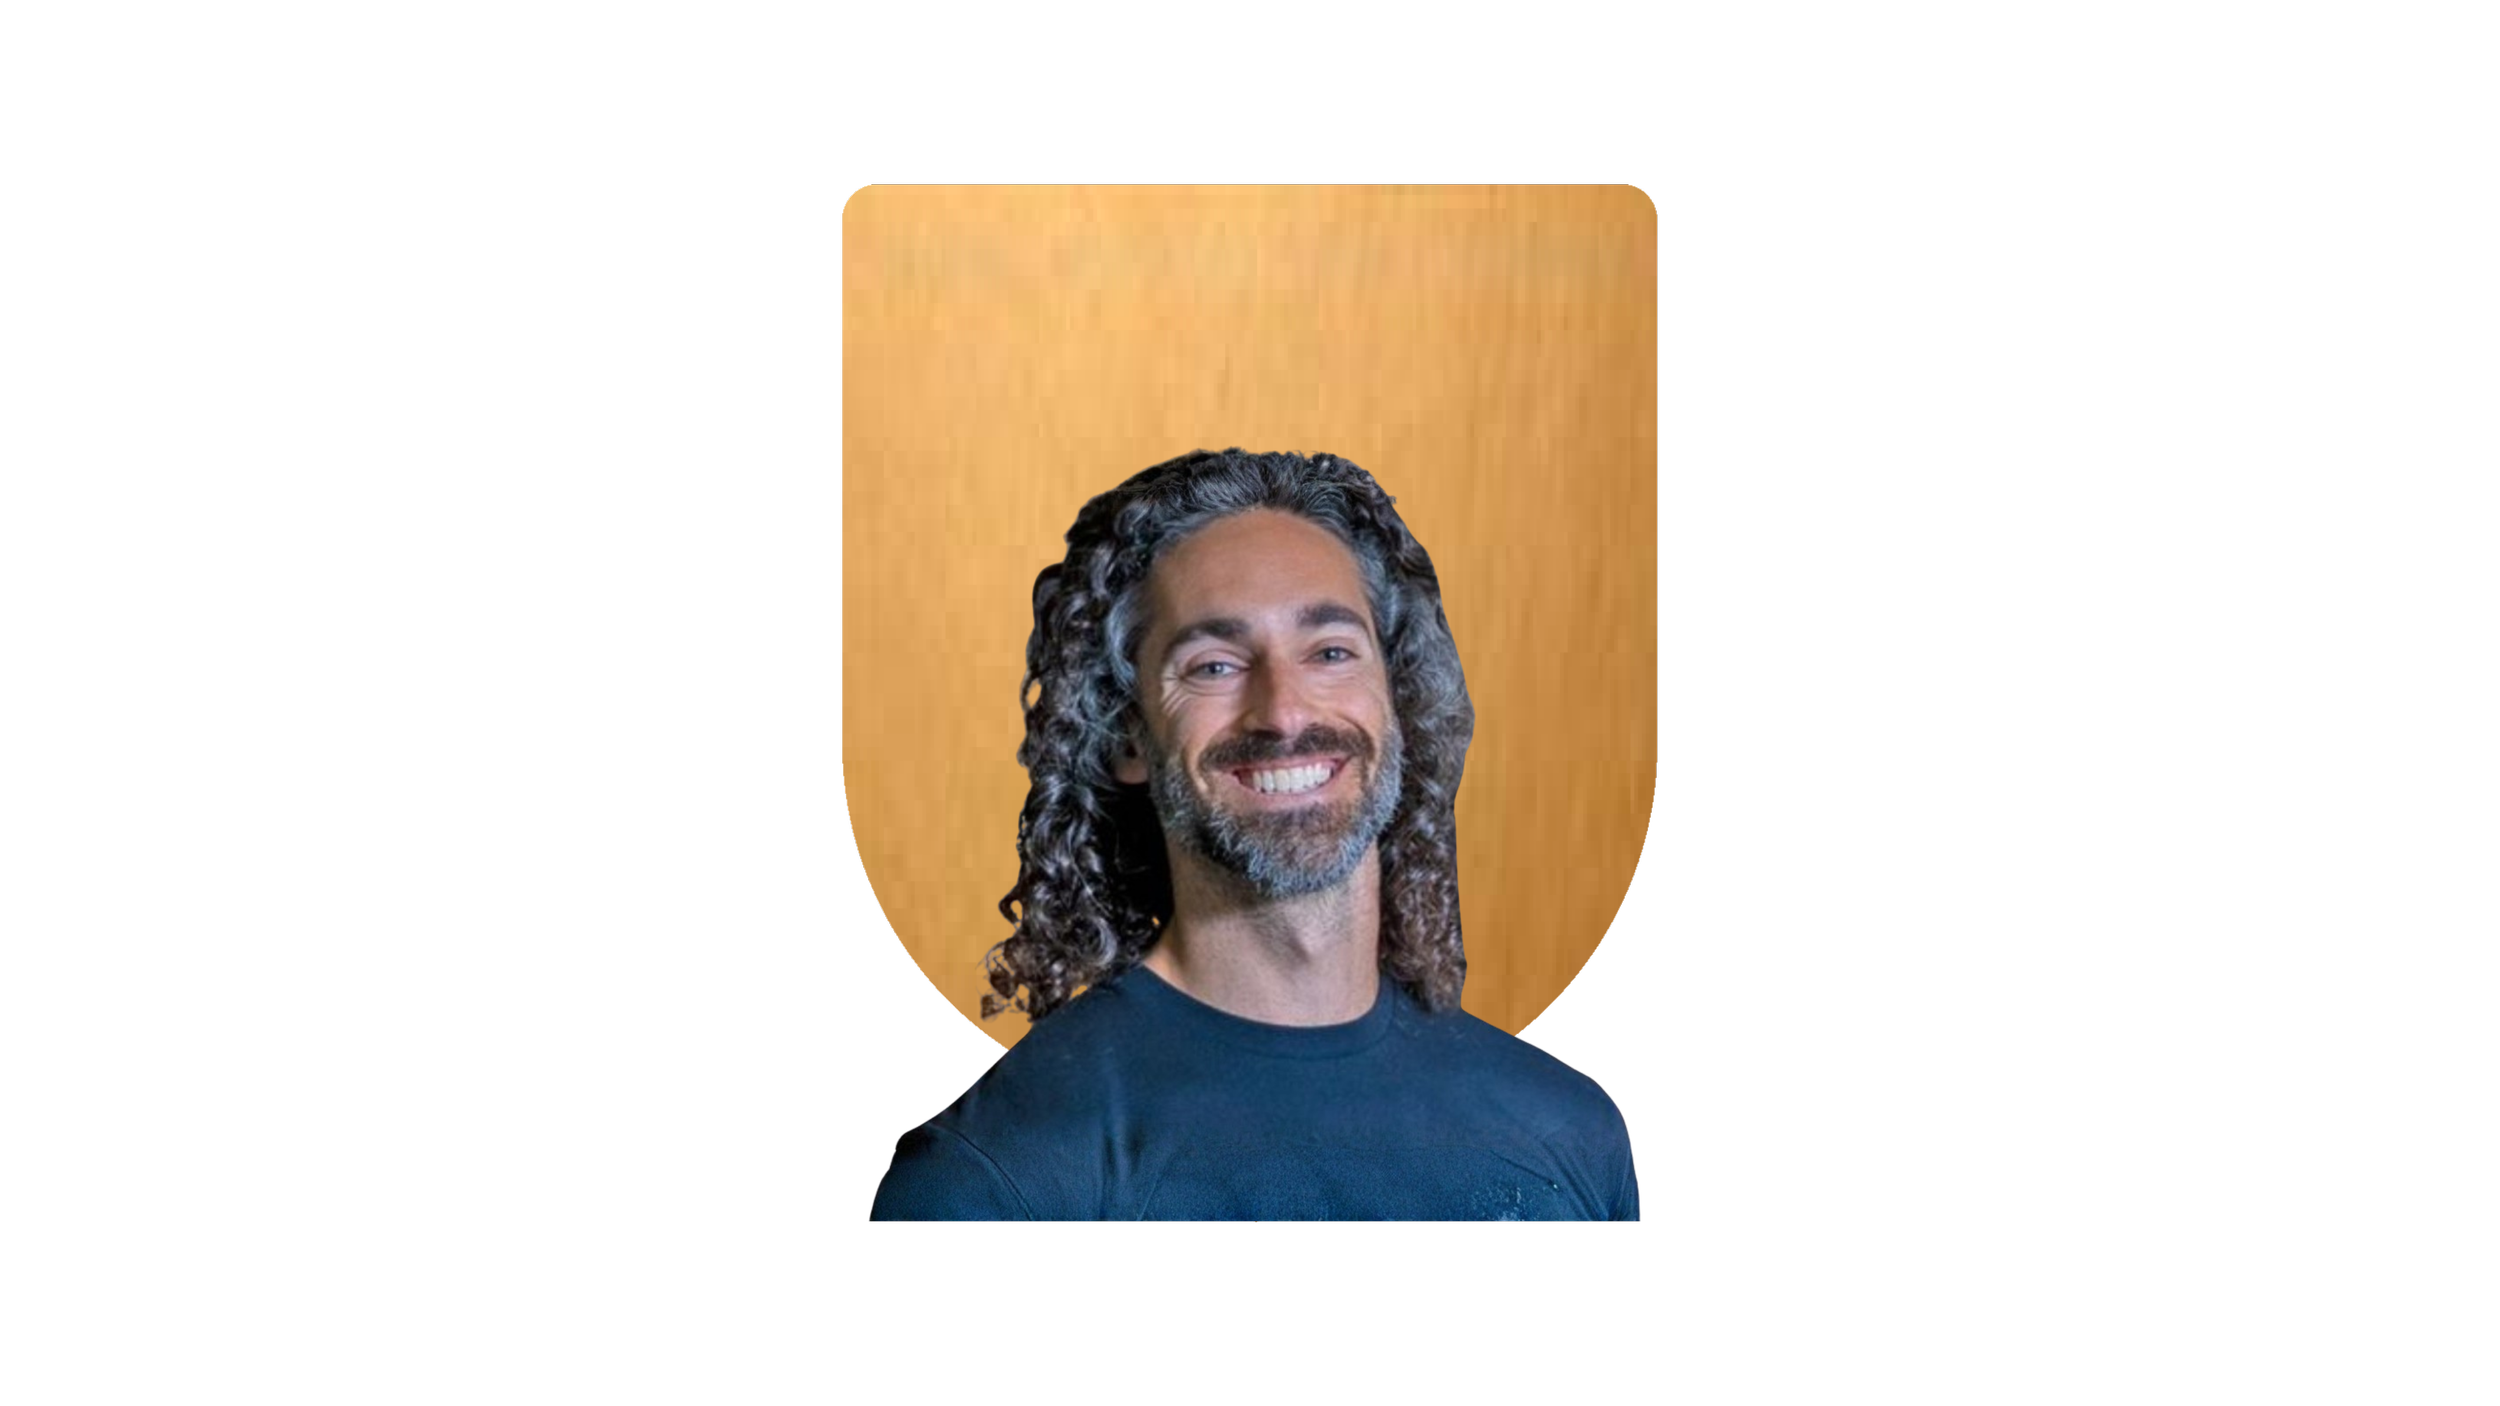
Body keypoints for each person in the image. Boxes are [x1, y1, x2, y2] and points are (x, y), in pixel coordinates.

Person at [869, 449, 1639, 1222]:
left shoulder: (1570, 1129)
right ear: (1128, 735)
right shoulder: (1001, 1179)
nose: (1284, 711)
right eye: (1213, 665)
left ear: (1396, 701)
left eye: (1331, 652)